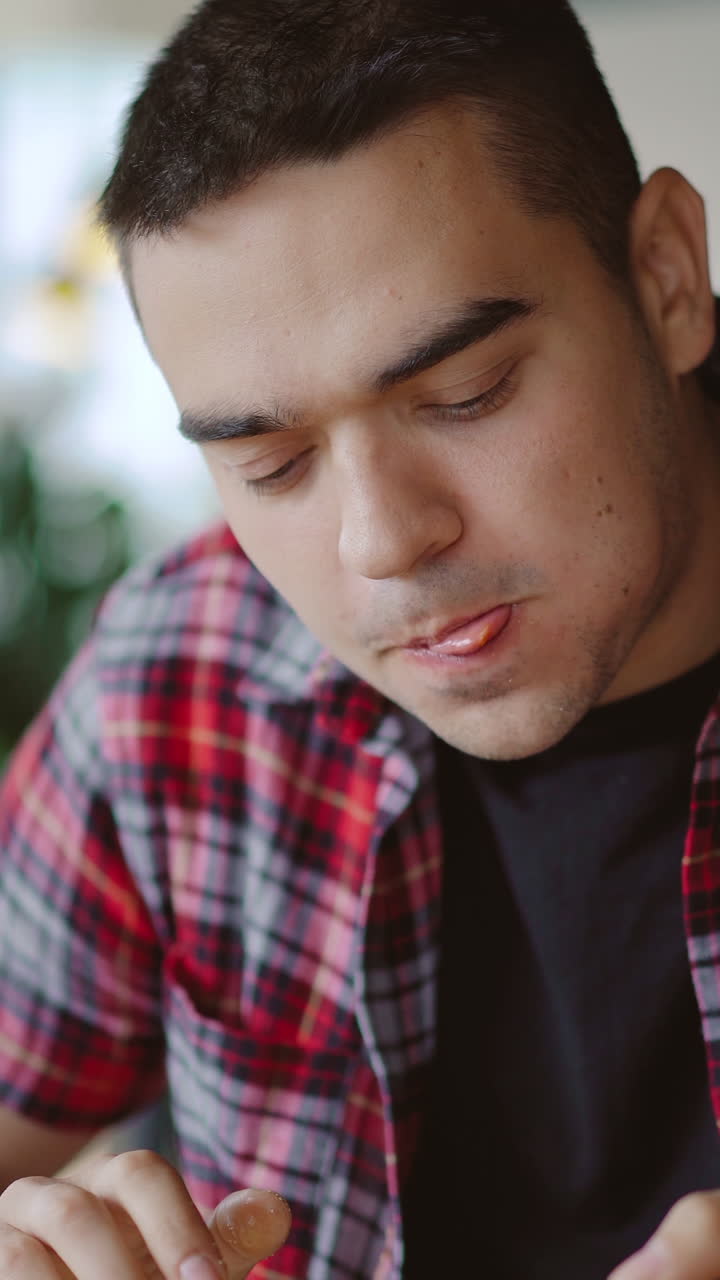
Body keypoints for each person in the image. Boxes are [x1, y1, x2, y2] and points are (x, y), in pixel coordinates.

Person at [1, 0, 720, 1275]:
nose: (382, 541)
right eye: (272, 465)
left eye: (466, 393)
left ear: (666, 276)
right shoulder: (177, 676)